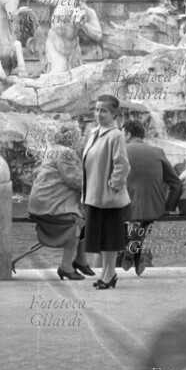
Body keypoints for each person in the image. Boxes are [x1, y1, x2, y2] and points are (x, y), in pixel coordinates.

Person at [28, 125, 93, 280]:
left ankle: (80, 260)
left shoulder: (54, 150)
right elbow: (75, 180)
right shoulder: (67, 153)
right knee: (79, 222)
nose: (81, 140)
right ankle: (66, 266)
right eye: (79, 137)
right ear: (72, 139)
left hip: (42, 203)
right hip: (51, 205)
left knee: (86, 218)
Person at [121, 120, 182, 275]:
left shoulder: (120, 151)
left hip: (126, 207)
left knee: (134, 217)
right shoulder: (158, 151)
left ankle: (132, 247)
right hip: (154, 207)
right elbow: (176, 183)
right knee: (145, 218)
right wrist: (169, 207)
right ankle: (135, 247)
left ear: (128, 134)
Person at [82, 94, 130, 289]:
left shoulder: (115, 135)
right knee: (101, 238)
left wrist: (113, 185)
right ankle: (106, 273)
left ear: (114, 113)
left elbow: (122, 164)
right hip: (95, 195)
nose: (98, 113)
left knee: (109, 238)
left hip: (108, 197)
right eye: (97, 109)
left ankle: (109, 274)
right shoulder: (95, 132)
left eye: (103, 110)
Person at [23, 0, 102, 73]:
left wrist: (84, 24)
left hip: (73, 51)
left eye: (83, 1)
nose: (80, 4)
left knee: (78, 78)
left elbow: (98, 35)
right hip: (55, 47)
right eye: (78, 0)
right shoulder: (61, 0)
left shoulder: (88, 12)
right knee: (58, 73)